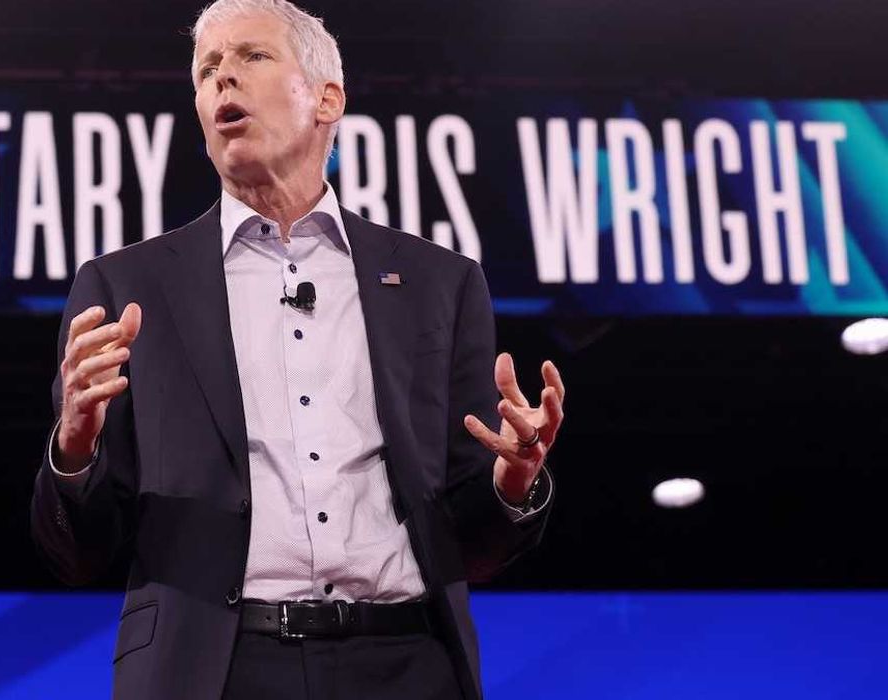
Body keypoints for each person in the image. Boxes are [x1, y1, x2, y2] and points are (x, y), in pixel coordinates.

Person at [30, 1, 566, 698]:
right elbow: (77, 553)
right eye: (206, 70)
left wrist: (513, 482)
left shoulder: (440, 282)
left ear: (326, 99)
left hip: (407, 661)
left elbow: (472, 540)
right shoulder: (128, 286)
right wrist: (73, 448)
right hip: (218, 670)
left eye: (251, 57)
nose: (223, 81)